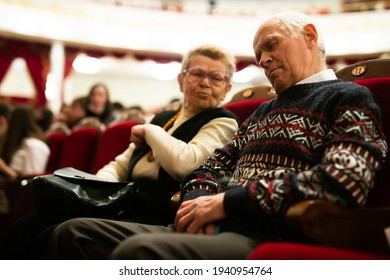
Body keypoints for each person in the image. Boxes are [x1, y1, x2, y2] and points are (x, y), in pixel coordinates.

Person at [44, 11, 388, 260]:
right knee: (73, 233)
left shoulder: (348, 96)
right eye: (258, 55)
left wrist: (226, 203)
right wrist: (198, 206)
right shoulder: (263, 112)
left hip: (271, 232)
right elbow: (208, 168)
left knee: (140, 252)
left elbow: (344, 179)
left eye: (271, 46)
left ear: (310, 36)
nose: (264, 60)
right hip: (218, 225)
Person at [0, 44, 239, 259]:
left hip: (158, 211)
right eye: (197, 73)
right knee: (27, 226)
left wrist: (149, 131)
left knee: (62, 232)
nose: (205, 83)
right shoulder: (164, 118)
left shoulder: (223, 121)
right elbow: (121, 164)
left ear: (226, 88)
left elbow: (186, 165)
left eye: (216, 78)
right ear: (181, 80)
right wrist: (95, 193)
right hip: (124, 203)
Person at [0, 105, 50, 179]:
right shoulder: (23, 142)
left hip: (17, 188)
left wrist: (3, 167)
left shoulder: (33, 145)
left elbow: (32, 180)